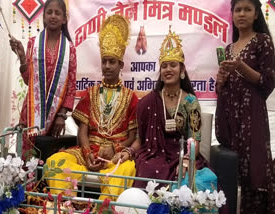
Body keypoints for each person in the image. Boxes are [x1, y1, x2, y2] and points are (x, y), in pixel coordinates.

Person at [46, 14, 138, 201]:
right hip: (89, 150)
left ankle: (105, 211)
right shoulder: (91, 93)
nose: (107, 66)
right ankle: (65, 208)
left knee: (126, 169)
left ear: (121, 65)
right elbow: (83, 132)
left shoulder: (131, 97)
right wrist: (87, 154)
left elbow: (133, 137)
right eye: (104, 61)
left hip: (115, 155)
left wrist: (115, 149)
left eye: (112, 62)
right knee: (54, 162)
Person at [114, 27, 207, 189]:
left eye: (173, 65)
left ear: (182, 70)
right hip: (152, 155)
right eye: (164, 66)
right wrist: (129, 151)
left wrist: (186, 161)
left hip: (183, 155)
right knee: (147, 168)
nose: (168, 70)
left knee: (192, 180)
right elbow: (141, 140)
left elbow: (194, 141)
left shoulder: (190, 102)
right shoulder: (149, 102)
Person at [215, 0, 275, 213]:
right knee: (231, 171)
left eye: (247, 9)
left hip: (252, 117)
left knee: (254, 175)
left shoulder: (263, 41)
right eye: (238, 10)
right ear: (232, 14)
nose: (242, 14)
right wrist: (220, 82)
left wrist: (241, 66)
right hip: (232, 117)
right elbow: (223, 90)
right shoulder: (228, 49)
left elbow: (268, 82)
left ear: (256, 14)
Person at [9, 0, 76, 160]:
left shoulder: (70, 49)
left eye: (57, 13)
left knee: (48, 160)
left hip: (54, 118)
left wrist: (61, 115)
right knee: (26, 159)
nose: (53, 16)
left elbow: (71, 86)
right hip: (31, 113)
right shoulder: (33, 43)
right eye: (49, 12)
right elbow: (28, 81)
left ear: (64, 19)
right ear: (44, 17)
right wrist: (22, 57)